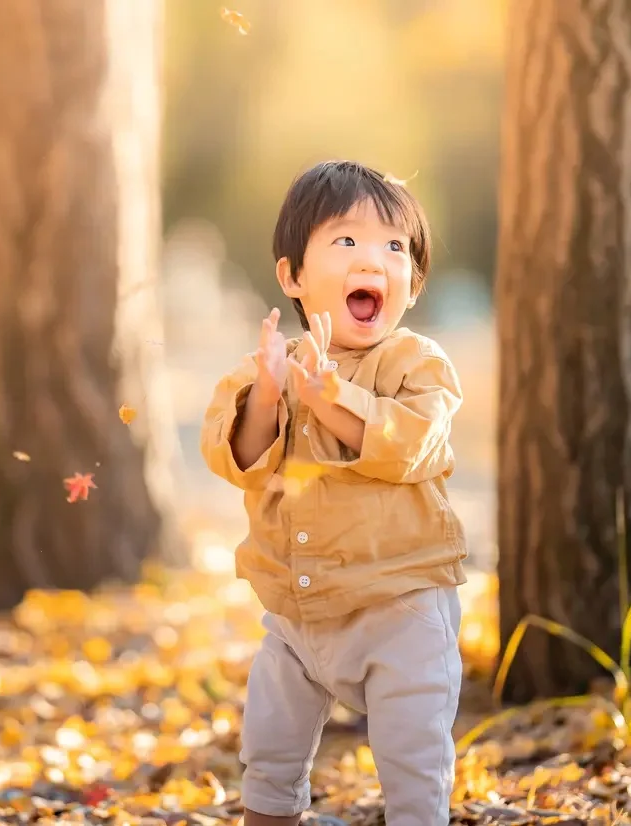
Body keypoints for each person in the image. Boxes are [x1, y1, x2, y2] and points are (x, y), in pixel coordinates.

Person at [200, 160, 468, 826]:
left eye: (393, 247)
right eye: (345, 241)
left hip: (399, 608)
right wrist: (270, 392)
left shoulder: (414, 363)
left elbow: (411, 443)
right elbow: (234, 456)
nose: (371, 259)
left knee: (411, 760)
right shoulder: (271, 367)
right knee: (267, 752)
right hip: (296, 618)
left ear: (412, 280)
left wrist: (332, 396)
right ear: (292, 276)